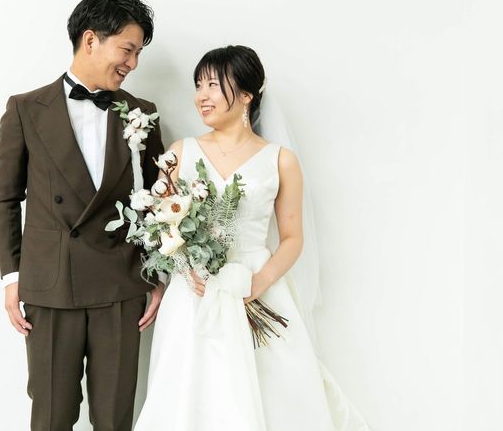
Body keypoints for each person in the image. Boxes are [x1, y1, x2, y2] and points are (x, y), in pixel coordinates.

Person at [134, 45, 370, 431]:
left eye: (213, 85)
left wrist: (258, 283)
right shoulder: (179, 153)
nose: (201, 96)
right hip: (193, 292)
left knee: (274, 392)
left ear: (246, 94)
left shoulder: (280, 160)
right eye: (198, 85)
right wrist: (185, 265)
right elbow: (162, 226)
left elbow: (292, 237)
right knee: (188, 391)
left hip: (258, 285)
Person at [0, 0, 165, 431]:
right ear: (90, 40)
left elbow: (160, 199)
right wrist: (11, 277)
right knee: (51, 415)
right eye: (127, 49)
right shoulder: (25, 109)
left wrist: (157, 273)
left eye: (138, 54)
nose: (133, 64)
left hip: (121, 285)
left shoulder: (141, 113)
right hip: (50, 287)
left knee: (115, 417)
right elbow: (5, 200)